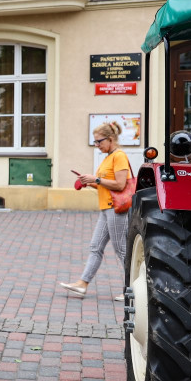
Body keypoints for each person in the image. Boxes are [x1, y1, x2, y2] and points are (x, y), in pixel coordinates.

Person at [60, 121, 132, 299]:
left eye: (99, 142)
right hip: (106, 209)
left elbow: (120, 184)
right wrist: (89, 183)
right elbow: (106, 186)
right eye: (95, 142)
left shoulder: (119, 156)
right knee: (95, 247)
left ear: (110, 139)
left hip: (116, 210)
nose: (97, 145)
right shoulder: (108, 157)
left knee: (121, 250)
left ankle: (133, 290)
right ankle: (82, 284)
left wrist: (96, 180)